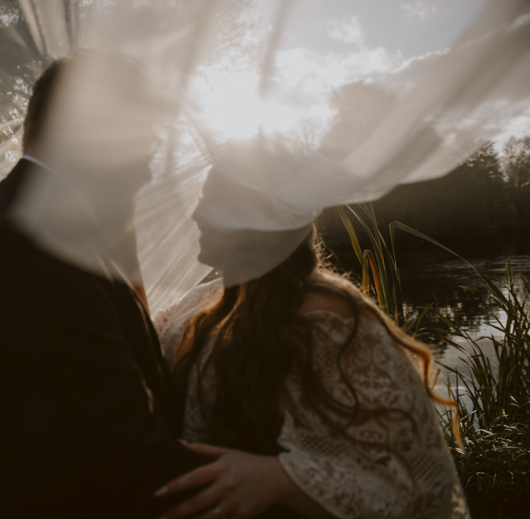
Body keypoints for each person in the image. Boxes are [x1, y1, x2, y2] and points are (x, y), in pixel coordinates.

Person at [0, 54, 269, 519]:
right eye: (143, 146)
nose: (147, 173)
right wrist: (284, 484)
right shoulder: (30, 251)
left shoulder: (34, 227)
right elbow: (128, 460)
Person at [152, 166, 470, 519]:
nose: (196, 214)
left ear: (257, 216)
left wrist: (279, 478)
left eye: (212, 201)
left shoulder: (329, 316)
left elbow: (418, 489)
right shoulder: (199, 301)